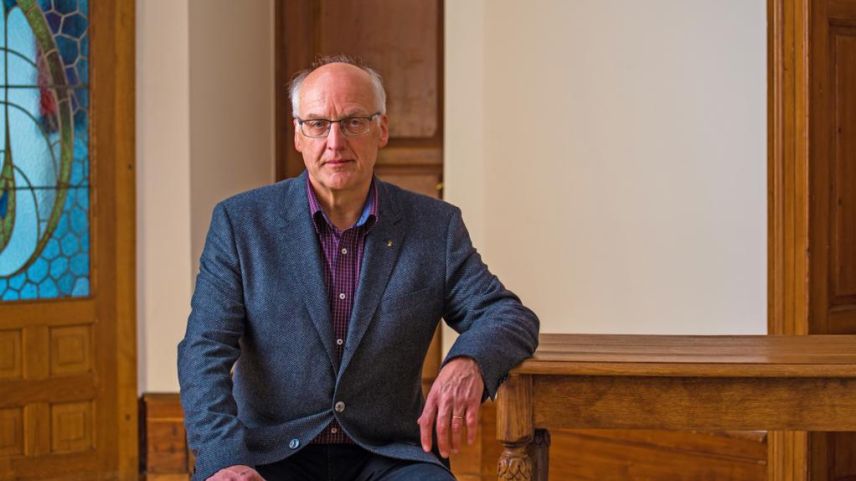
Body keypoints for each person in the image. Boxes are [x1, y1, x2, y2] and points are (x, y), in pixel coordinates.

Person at [177, 55, 539, 481]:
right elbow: (204, 349)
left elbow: (507, 315)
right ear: (298, 134)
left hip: (388, 455)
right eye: (317, 124)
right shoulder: (241, 224)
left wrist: (470, 360)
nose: (335, 142)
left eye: (353, 122)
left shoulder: (434, 227)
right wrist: (225, 458)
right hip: (269, 455)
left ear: (381, 129)